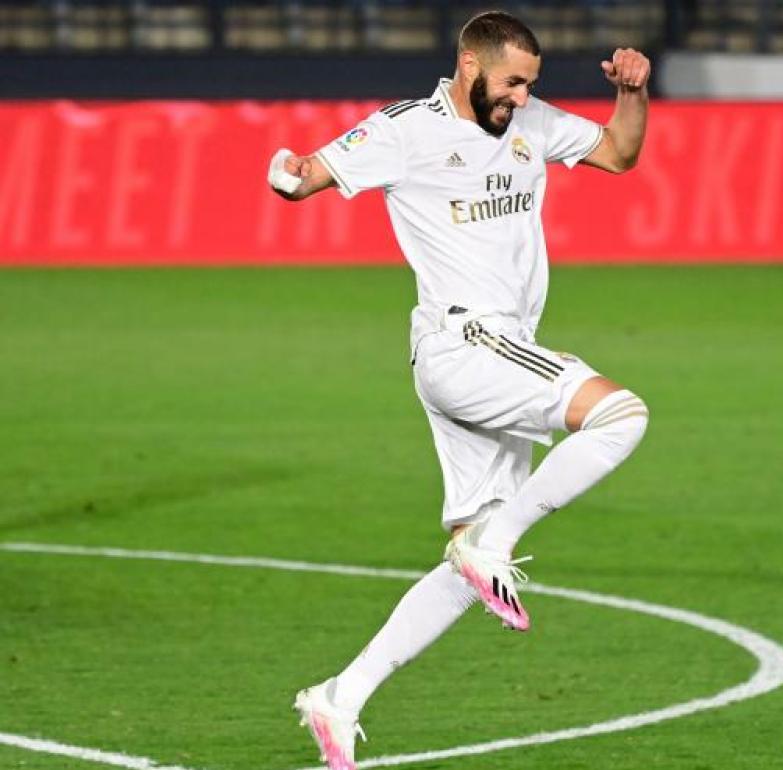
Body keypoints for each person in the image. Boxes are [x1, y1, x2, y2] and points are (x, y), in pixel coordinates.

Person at [264, 11, 651, 770]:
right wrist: (286, 170)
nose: (520, 97)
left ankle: (340, 697)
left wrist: (633, 93)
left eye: (530, 84)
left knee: (465, 568)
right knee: (620, 415)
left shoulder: (533, 122)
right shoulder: (405, 129)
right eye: (511, 82)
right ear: (470, 65)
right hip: (466, 341)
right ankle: (494, 539)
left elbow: (618, 153)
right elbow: (304, 176)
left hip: (495, 352)